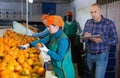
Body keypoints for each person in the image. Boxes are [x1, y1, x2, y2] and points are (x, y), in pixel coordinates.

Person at [82, 3, 118, 78]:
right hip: (89, 55)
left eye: (95, 12)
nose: (93, 14)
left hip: (102, 55)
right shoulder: (88, 22)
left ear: (100, 11)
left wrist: (102, 41)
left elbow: (115, 40)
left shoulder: (109, 23)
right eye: (91, 12)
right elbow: (83, 40)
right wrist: (85, 37)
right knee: (92, 76)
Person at [63, 11, 83, 77]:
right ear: (66, 17)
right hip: (67, 39)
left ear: (72, 17)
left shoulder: (76, 23)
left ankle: (74, 63)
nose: (69, 17)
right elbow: (62, 32)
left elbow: (80, 30)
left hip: (74, 39)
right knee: (67, 50)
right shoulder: (64, 24)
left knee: (74, 50)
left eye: (70, 16)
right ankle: (68, 61)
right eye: (67, 16)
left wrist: (76, 34)